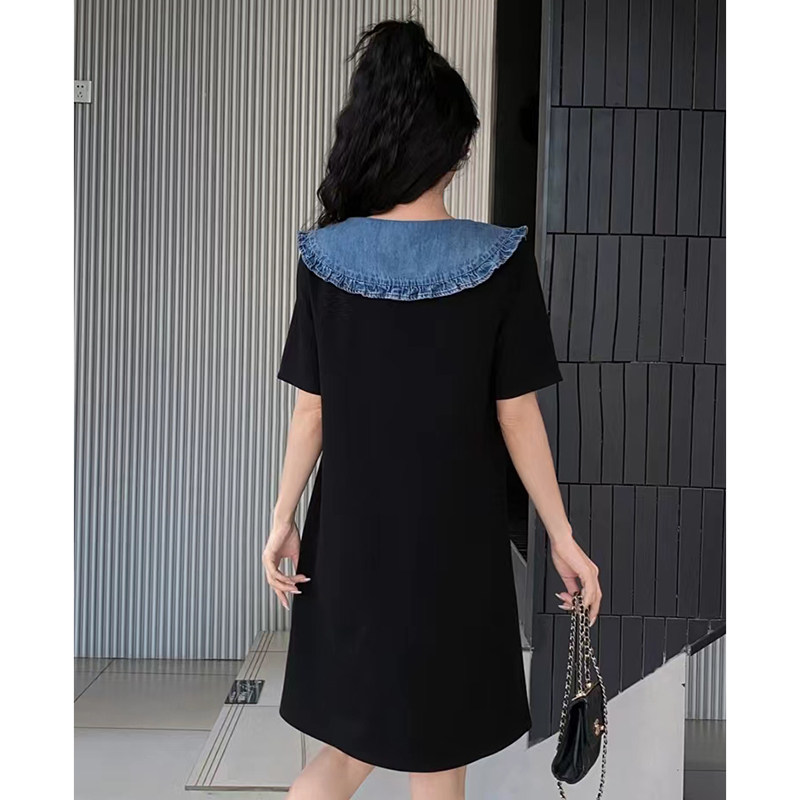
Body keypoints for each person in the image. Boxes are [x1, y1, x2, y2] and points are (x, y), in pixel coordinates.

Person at [262, 18, 602, 800]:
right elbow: (517, 416)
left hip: (350, 544)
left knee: (346, 753)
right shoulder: (500, 258)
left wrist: (283, 519)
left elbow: (311, 413)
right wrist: (560, 535)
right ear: (449, 149)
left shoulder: (325, 257)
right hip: (454, 548)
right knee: (436, 755)